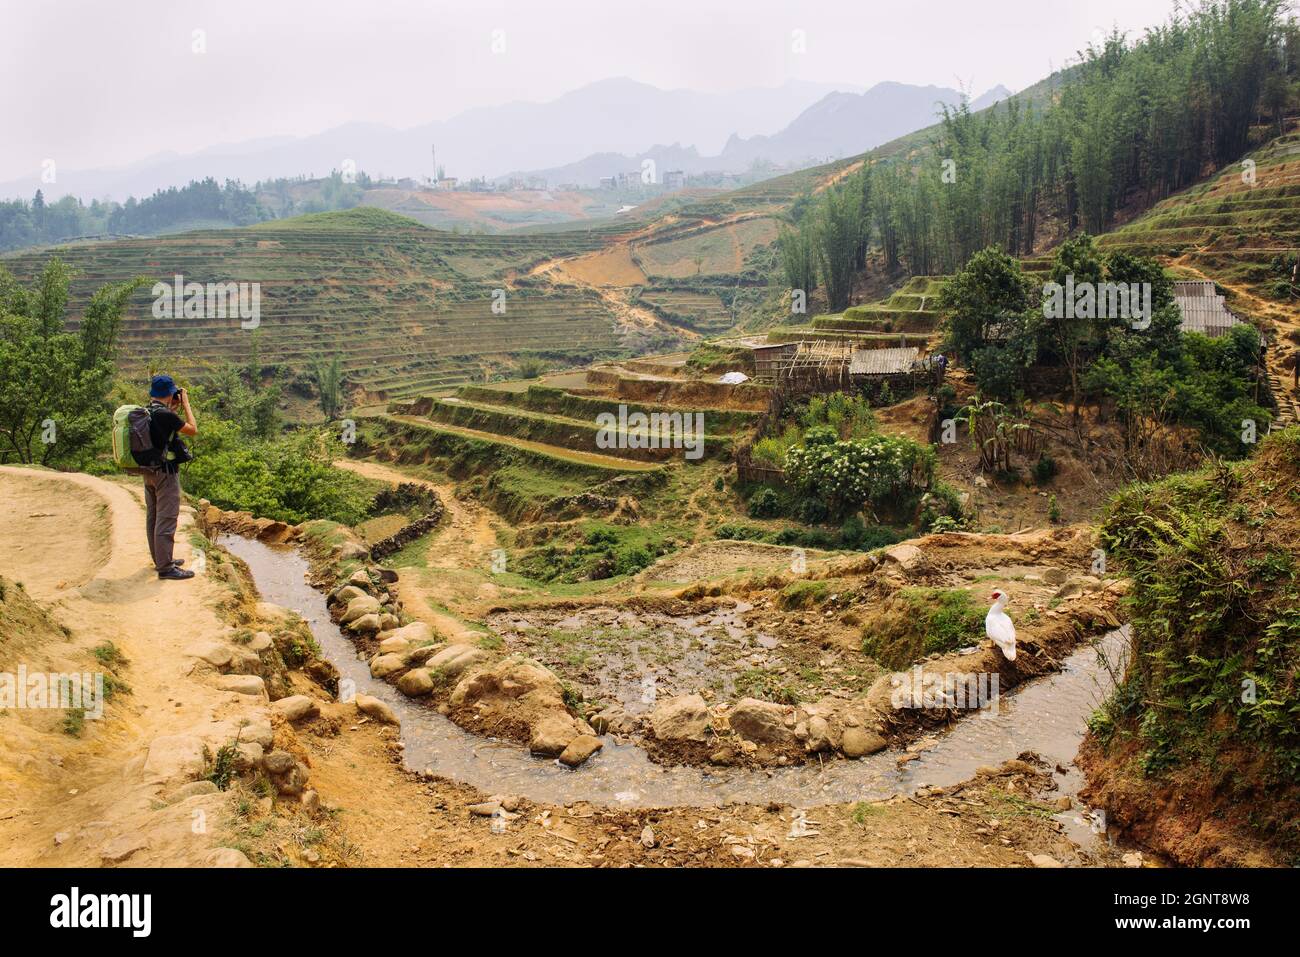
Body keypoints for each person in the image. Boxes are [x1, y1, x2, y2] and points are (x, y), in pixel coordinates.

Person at [143, 375, 198, 580]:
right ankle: (166, 568)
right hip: (165, 472)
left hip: (148, 471)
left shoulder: (147, 411)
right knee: (166, 518)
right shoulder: (165, 415)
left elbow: (163, 431)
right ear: (169, 393)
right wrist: (186, 404)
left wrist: (173, 407)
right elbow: (192, 430)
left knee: (153, 516)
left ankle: (161, 559)